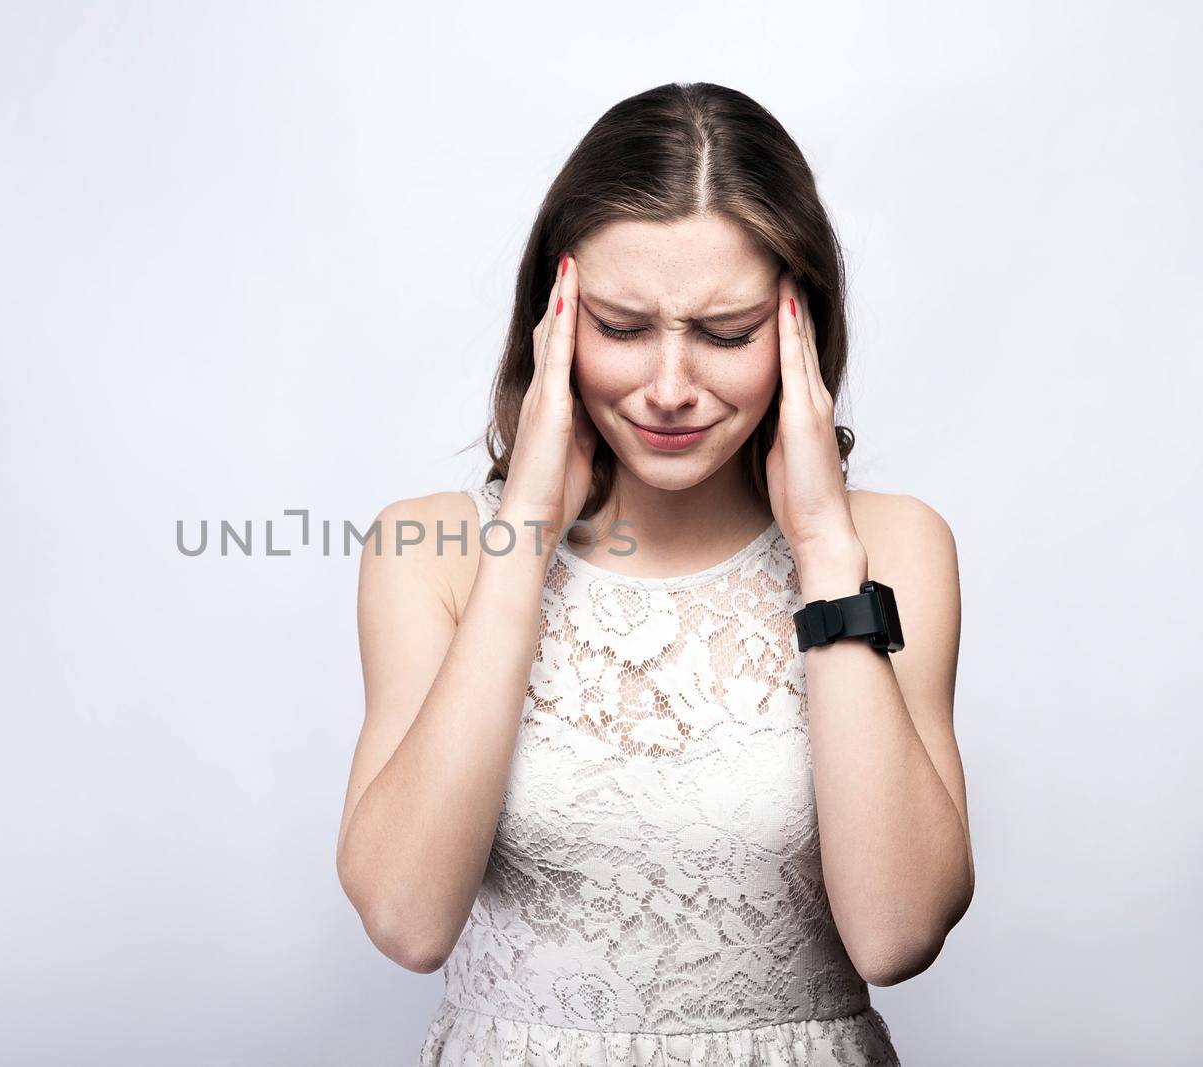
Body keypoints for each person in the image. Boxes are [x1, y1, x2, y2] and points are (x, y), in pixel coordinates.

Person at [334, 82, 972, 1066]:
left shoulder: (895, 546)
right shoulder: (430, 551)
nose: (668, 389)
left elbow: (896, 934)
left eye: (725, 333)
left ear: (799, 329)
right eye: (623, 327)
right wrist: (527, 532)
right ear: (552, 322)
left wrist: (820, 542)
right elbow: (406, 919)